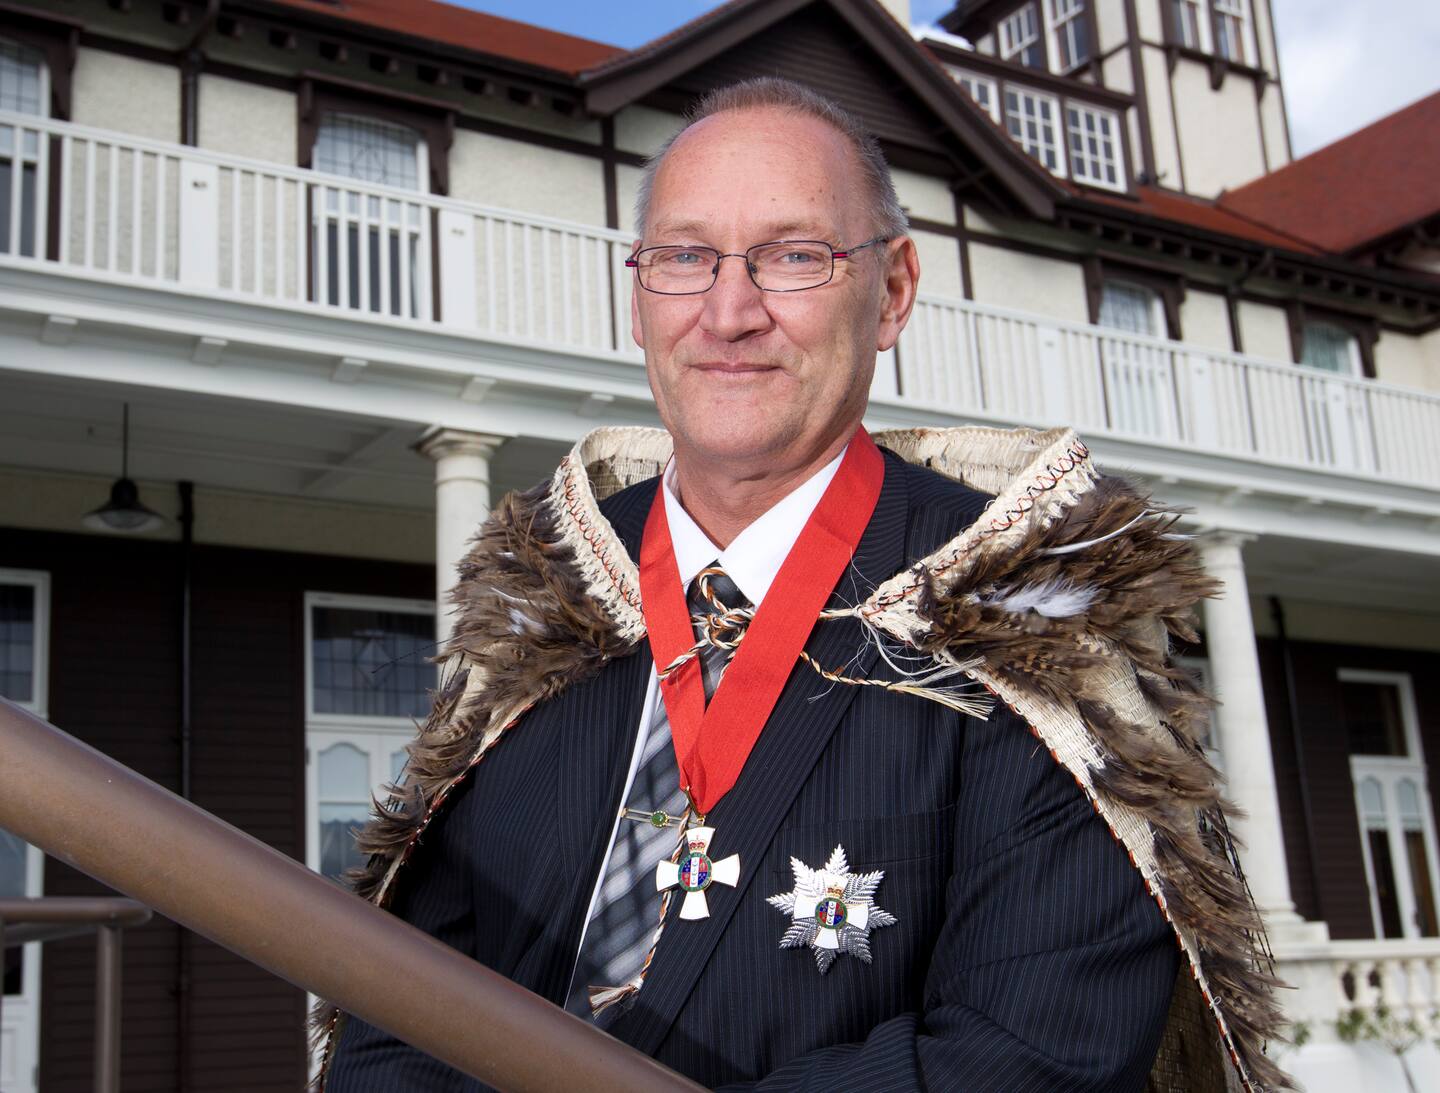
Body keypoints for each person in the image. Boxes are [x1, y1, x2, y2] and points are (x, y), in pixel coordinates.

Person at [316, 79, 1287, 1092]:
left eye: (793, 256)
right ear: (639, 297)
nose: (729, 313)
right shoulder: (545, 596)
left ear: (894, 291)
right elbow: (403, 1002)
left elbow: (1030, 1057)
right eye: (684, 257)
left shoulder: (1026, 610)